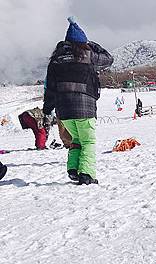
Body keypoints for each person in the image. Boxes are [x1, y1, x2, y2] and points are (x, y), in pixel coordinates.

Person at [43, 17, 113, 184]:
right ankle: (86, 174)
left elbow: (50, 88)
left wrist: (47, 109)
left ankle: (73, 169)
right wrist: (92, 44)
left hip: (63, 111)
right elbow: (109, 58)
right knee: (88, 140)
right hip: (84, 107)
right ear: (83, 42)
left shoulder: (56, 60)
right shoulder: (88, 55)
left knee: (76, 139)